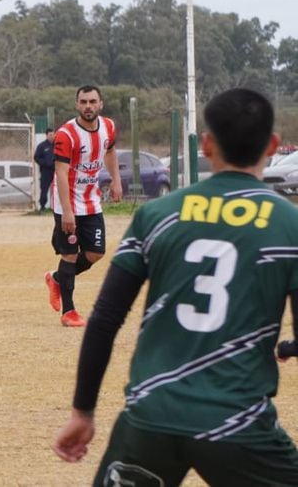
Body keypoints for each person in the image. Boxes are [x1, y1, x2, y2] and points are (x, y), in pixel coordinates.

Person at [53, 88, 298, 486]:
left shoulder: (158, 215)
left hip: (151, 417)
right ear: (272, 145)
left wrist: (83, 411)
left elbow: (105, 320)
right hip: (238, 422)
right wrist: (285, 347)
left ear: (206, 145)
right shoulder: (288, 225)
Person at [43, 85, 122, 328]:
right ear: (77, 105)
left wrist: (116, 181)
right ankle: (69, 312)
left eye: (92, 101)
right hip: (67, 203)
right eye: (83, 102)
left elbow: (110, 152)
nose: (88, 106)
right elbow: (61, 172)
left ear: (101, 104)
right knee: (69, 254)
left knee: (96, 253)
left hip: (91, 201)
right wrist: (67, 211)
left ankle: (57, 279)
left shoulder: (108, 127)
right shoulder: (66, 135)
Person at [34, 128, 55, 210]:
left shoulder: (57, 145)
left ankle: (55, 207)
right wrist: (45, 163)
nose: (52, 136)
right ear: (46, 135)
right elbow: (36, 157)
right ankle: (43, 206)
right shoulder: (42, 146)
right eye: (50, 135)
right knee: (44, 189)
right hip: (45, 171)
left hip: (55, 171)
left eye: (53, 134)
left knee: (58, 189)